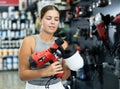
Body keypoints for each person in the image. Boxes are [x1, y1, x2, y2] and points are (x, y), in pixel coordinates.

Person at [18, 5, 71, 89]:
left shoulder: (63, 44)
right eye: (48, 18)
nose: (53, 22)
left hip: (57, 86)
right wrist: (45, 71)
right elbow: (22, 75)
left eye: (56, 19)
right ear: (40, 20)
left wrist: (70, 66)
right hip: (34, 86)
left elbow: (63, 76)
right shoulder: (29, 41)